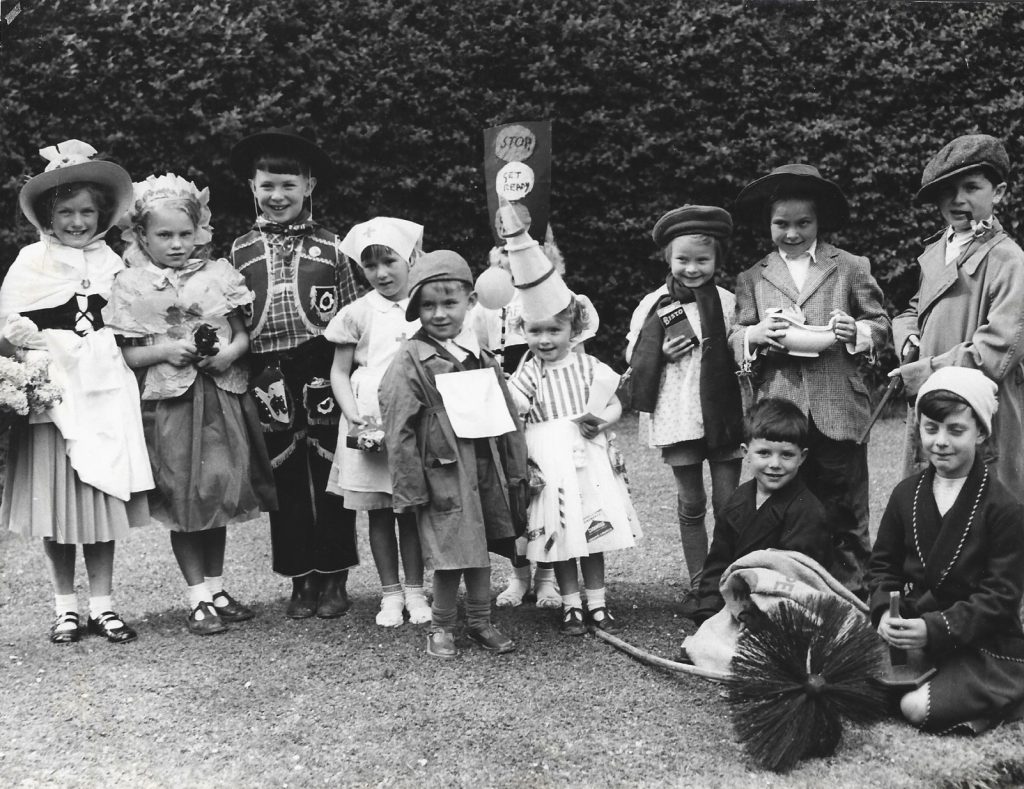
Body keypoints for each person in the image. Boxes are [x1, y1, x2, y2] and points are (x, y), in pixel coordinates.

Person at [106, 173, 277, 635]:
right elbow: (126, 352)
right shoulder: (131, 284)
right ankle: (197, 595)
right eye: (164, 235)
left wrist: (229, 353)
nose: (177, 244)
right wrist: (163, 350)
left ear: (199, 230)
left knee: (217, 489)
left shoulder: (218, 274)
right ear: (141, 235)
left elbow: (242, 333)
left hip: (220, 396)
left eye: (185, 233)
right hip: (172, 403)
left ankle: (218, 587)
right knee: (185, 494)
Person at [0, 140, 153, 643]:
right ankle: (65, 605)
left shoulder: (115, 262)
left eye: (87, 211)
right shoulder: (30, 262)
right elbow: (9, 322)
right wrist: (25, 349)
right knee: (57, 505)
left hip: (103, 388)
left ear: (102, 213)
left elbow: (134, 319)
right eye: (66, 211)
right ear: (48, 213)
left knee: (99, 496)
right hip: (54, 390)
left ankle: (103, 605)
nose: (77, 221)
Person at [730, 163, 890, 597]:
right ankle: (790, 599)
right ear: (768, 224)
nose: (793, 233)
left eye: (803, 223)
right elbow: (734, 334)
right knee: (788, 509)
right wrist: (753, 335)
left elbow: (881, 324)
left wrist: (854, 331)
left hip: (838, 406)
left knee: (846, 512)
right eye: (781, 224)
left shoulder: (851, 267)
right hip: (781, 410)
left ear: (819, 221)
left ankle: (854, 601)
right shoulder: (752, 277)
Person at [229, 127, 365, 619]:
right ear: (252, 187)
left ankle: (334, 576)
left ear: (309, 185)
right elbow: (233, 321)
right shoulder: (239, 252)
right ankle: (299, 578)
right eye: (267, 185)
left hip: (325, 367)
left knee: (332, 474)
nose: (277, 195)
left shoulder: (335, 248)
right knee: (283, 478)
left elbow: (353, 317)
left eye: (288, 184)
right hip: (268, 374)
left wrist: (352, 374)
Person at [379, 250, 527, 658]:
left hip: (483, 466)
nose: (440, 313)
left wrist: (516, 469)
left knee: (479, 543)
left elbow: (507, 413)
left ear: (471, 302)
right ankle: (442, 626)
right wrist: (409, 487)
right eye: (428, 305)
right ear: (416, 309)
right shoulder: (411, 356)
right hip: (441, 470)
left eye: (450, 303)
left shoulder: (479, 353)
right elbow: (398, 424)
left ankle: (480, 621)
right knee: (449, 549)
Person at [869, 366, 1024, 734]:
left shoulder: (1004, 508)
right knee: (850, 686)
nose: (941, 441)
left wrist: (934, 628)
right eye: (930, 428)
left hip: (981, 642)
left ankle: (1009, 690)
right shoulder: (905, 494)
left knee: (914, 707)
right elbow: (881, 567)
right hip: (914, 635)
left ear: (982, 434)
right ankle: (972, 700)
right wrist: (884, 613)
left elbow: (1000, 597)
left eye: (956, 430)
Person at [625, 205, 743, 616]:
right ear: (668, 259)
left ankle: (726, 579)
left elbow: (741, 345)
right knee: (691, 503)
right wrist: (660, 350)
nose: (692, 269)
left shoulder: (729, 303)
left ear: (718, 261)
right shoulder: (654, 303)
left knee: (729, 503)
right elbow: (632, 349)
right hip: (677, 414)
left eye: (702, 261)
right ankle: (698, 584)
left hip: (722, 412)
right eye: (683, 260)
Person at [892, 134, 1024, 491]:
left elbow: (996, 351)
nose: (958, 199)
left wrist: (926, 372)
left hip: (980, 410)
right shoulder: (937, 250)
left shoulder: (1009, 260)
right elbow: (914, 309)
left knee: (980, 514)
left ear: (997, 193)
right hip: (931, 404)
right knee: (929, 504)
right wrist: (907, 338)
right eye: (947, 190)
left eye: (971, 187)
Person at [509, 296, 641, 636]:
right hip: (549, 458)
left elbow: (614, 403)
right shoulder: (528, 372)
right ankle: (571, 605)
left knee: (592, 530)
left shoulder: (588, 367)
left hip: (586, 458)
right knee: (562, 535)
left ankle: (596, 603)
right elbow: (515, 410)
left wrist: (600, 421)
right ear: (524, 331)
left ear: (574, 330)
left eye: (554, 329)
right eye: (535, 331)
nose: (545, 339)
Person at [325, 216, 431, 627]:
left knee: (411, 508)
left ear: (409, 257)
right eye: (370, 266)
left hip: (413, 417)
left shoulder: (425, 306)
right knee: (379, 510)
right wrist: (354, 417)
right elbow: (339, 371)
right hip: (369, 418)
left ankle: (417, 589)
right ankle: (390, 593)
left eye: (389, 261)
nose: (381, 273)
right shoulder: (357, 312)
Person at [690, 398, 830, 625]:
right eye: (764, 453)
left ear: (802, 457)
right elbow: (718, 561)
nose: (775, 464)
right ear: (746, 452)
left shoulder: (807, 510)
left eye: (786, 455)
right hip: (733, 603)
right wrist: (708, 611)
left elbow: (797, 580)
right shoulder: (738, 499)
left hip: (782, 613)